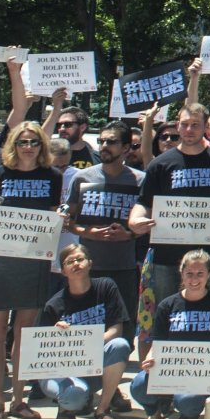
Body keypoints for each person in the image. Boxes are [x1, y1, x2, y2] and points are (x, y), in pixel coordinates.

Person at [0, 122, 65, 419]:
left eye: (34, 142)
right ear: (13, 145)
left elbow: (53, 215)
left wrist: (60, 217)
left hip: (34, 260)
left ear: (42, 146)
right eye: (22, 142)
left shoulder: (52, 176)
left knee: (25, 332)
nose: (28, 147)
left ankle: (18, 399)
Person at [127, 104, 210, 301]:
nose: (189, 130)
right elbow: (144, 202)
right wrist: (135, 220)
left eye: (195, 125)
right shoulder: (160, 164)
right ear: (178, 126)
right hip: (168, 256)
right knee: (166, 311)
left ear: (205, 129)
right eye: (185, 124)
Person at [130, 250, 210, 419]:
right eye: (189, 274)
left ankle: (187, 418)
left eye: (200, 274)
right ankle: (154, 413)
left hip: (201, 373)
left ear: (209, 274)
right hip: (171, 370)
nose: (194, 279)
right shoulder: (167, 305)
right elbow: (158, 344)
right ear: (181, 273)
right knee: (138, 385)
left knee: (186, 400)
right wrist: (149, 361)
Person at [67, 121, 146, 363]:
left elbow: (149, 224)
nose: (104, 146)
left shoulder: (140, 180)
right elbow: (67, 220)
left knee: (123, 327)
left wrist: (130, 234)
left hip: (124, 266)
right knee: (86, 325)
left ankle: (114, 382)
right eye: (101, 141)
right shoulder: (82, 177)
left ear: (125, 147)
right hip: (89, 267)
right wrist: (88, 233)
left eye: (111, 142)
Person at [36, 244, 133, 419]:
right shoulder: (53, 305)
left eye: (80, 259)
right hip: (62, 369)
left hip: (94, 362)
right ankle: (66, 407)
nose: (76, 264)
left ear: (90, 263)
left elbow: (116, 328)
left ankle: (102, 411)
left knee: (120, 345)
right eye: (69, 262)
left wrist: (89, 345)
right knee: (74, 397)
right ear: (63, 271)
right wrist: (55, 335)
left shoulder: (106, 287)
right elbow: (43, 353)